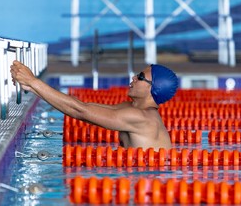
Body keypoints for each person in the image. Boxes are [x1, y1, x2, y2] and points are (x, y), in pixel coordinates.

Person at [10, 61, 179, 150]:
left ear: (153, 89)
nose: (134, 77)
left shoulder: (142, 118)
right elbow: (84, 106)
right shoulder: (131, 109)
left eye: (140, 77)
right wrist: (31, 87)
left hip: (149, 190)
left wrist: (34, 81)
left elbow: (79, 111)